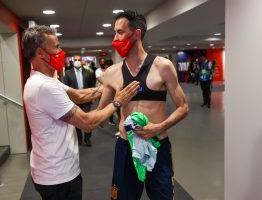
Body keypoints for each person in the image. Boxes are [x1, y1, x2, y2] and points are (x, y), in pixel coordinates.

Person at [22, 25, 139, 200]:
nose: (61, 52)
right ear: (41, 53)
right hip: (58, 177)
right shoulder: (43, 86)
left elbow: (79, 95)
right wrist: (118, 101)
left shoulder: (48, 80)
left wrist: (107, 85)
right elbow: (87, 122)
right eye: (56, 47)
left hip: (54, 170)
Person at [97, 11, 189, 200]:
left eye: (120, 32)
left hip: (158, 146)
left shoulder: (162, 66)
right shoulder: (112, 73)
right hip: (126, 148)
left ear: (136, 34)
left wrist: (159, 127)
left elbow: (183, 107)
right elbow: (99, 113)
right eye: (114, 33)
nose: (114, 38)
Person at [63, 55, 95, 146]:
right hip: (74, 101)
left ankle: (87, 138)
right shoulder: (68, 73)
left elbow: (92, 86)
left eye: (79, 60)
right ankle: (79, 138)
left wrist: (92, 97)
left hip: (86, 100)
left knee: (88, 119)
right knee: (77, 120)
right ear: (73, 62)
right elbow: (66, 88)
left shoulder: (88, 72)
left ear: (82, 61)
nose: (77, 61)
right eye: (75, 60)